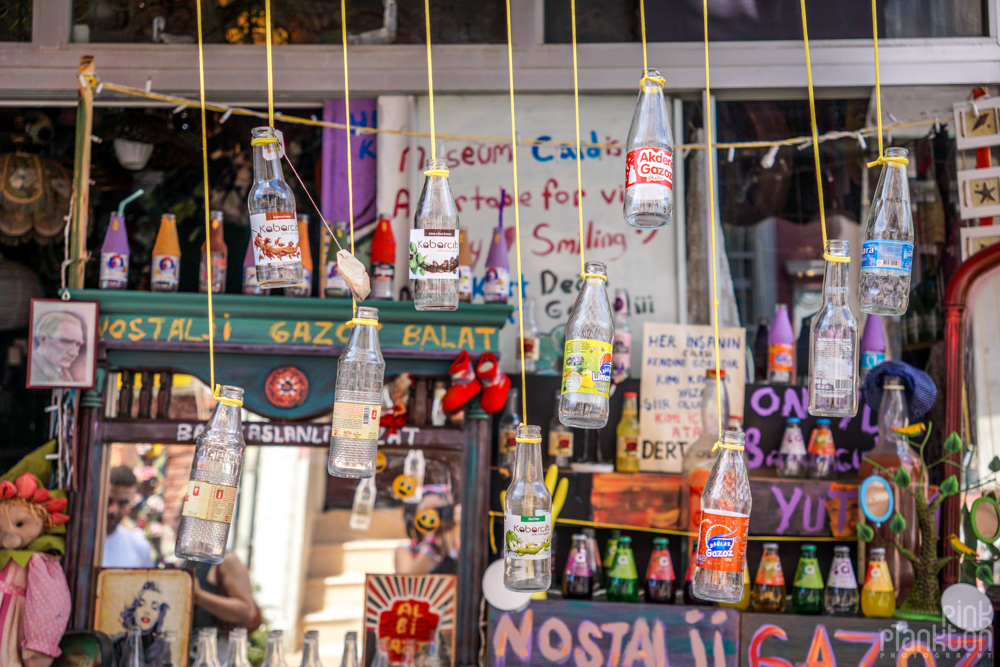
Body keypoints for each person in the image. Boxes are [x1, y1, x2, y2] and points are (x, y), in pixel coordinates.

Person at [187, 553, 259, 661]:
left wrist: (199, 596)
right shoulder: (186, 559)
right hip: (191, 653)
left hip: (218, 653)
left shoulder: (227, 560)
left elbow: (247, 610)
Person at [395, 486, 461, 575]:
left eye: (439, 511)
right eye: (426, 513)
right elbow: (407, 581)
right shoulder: (405, 551)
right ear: (413, 518)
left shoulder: (457, 546)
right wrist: (432, 541)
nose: (433, 517)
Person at [103, 466, 154, 568]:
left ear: (131, 504)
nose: (113, 510)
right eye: (109, 501)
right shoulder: (76, 538)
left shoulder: (141, 548)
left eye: (122, 503)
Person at [30, 310, 86, 384]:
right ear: (43, 339)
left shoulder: (63, 372)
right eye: (66, 342)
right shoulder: (32, 370)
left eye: (78, 344)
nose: (75, 353)